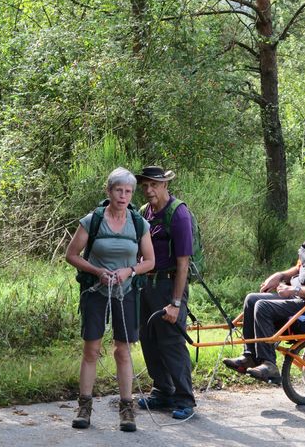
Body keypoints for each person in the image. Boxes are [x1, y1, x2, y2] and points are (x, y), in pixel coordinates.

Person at [65, 167, 155, 432]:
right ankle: (84, 406)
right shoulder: (92, 220)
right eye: (119, 190)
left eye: (128, 191)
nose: (123, 195)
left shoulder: (139, 223)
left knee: (123, 351)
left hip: (126, 292)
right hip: (95, 291)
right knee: (91, 350)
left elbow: (150, 261)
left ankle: (127, 409)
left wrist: (129, 270)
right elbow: (72, 255)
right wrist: (97, 272)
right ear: (109, 191)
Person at [223, 207, 305, 382]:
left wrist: (294, 290)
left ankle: (269, 365)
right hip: (301, 297)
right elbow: (300, 268)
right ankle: (250, 356)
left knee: (262, 306)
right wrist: (280, 276)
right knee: (251, 299)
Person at [135, 166, 197, 420]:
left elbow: (183, 263)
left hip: (169, 286)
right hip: (144, 285)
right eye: (145, 186)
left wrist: (175, 302)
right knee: (148, 339)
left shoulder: (178, 214)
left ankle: (185, 400)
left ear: (164, 185)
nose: (149, 190)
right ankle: (163, 391)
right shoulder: (143, 213)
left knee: (171, 342)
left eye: (154, 185)